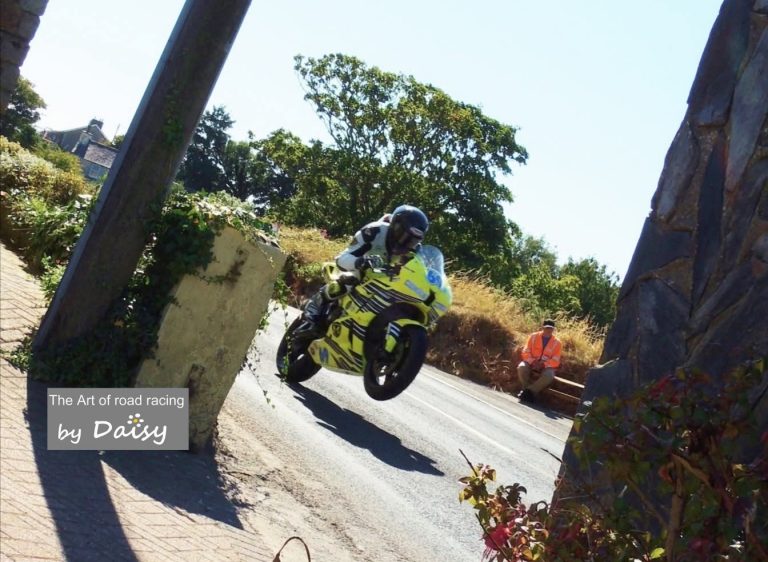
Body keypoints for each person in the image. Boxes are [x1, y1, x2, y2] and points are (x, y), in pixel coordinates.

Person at [302, 205, 429, 328]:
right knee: (351, 279)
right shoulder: (373, 231)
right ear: (395, 225)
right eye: (403, 235)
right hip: (360, 270)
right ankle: (316, 304)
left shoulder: (416, 251)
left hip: (385, 281)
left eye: (412, 240)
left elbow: (419, 275)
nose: (406, 242)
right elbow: (342, 259)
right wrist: (361, 262)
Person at [517, 319, 562, 403]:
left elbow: (556, 360)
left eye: (551, 328)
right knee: (521, 367)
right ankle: (526, 391)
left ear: (554, 329)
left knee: (549, 375)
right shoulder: (533, 336)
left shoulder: (557, 343)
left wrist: (544, 364)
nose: (549, 330)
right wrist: (533, 361)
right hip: (531, 362)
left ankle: (528, 392)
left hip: (546, 366)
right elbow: (525, 351)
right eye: (547, 328)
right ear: (543, 327)